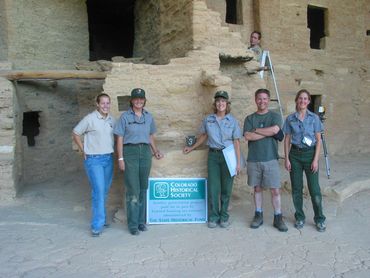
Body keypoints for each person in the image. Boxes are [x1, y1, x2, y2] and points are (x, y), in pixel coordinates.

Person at [183, 91, 241, 228]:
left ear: (227, 104)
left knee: (227, 187)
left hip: (228, 155)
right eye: (218, 101)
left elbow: (237, 142)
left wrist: (238, 162)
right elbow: (204, 136)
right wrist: (192, 147)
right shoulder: (208, 119)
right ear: (215, 104)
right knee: (214, 187)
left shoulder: (232, 121)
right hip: (214, 156)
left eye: (223, 101)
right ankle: (214, 216)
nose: (221, 104)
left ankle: (224, 215)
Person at [114, 88, 163, 236]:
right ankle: (133, 224)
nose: (139, 101)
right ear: (131, 100)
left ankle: (141, 221)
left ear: (144, 100)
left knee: (143, 188)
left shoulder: (148, 116)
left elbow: (150, 136)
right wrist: (121, 158)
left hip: (145, 153)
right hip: (130, 152)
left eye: (141, 99)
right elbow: (120, 139)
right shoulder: (124, 117)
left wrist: (155, 151)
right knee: (133, 189)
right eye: (136, 99)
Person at [243, 88, 288, 232]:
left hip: (270, 158)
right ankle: (258, 215)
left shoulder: (274, 116)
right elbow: (248, 136)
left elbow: (276, 130)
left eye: (264, 98)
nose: (262, 101)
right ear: (255, 100)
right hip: (254, 159)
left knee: (275, 190)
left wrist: (255, 130)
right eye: (259, 98)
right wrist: (268, 132)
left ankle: (278, 217)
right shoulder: (250, 118)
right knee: (257, 188)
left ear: (268, 100)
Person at [72, 93, 116, 237]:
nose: (105, 106)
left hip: (108, 159)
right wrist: (82, 149)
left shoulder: (111, 120)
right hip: (94, 160)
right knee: (98, 191)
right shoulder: (90, 118)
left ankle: (101, 220)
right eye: (102, 103)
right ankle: (97, 225)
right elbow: (76, 132)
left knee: (104, 191)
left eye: (107, 103)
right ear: (97, 104)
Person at [283, 89, 326, 232]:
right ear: (297, 100)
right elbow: (287, 139)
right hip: (295, 155)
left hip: (310, 155)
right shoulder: (290, 119)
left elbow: (318, 140)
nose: (302, 101)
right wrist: (287, 158)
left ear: (308, 101)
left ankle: (319, 218)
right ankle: (300, 217)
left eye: (305, 99)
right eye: (300, 98)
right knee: (296, 188)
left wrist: (315, 160)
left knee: (314, 189)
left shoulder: (314, 118)